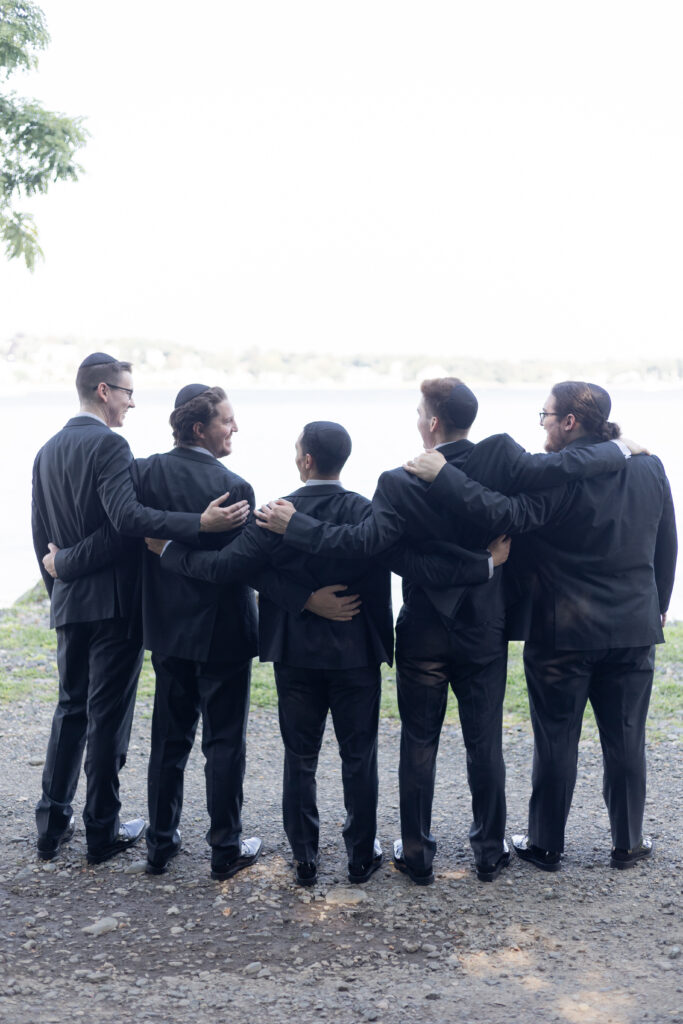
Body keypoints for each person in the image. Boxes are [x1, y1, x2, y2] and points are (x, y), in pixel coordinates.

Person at [254, 379, 634, 884]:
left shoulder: (396, 480)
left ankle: (416, 855)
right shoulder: (502, 455)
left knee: (419, 741)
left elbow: (379, 550)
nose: (416, 418)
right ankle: (488, 853)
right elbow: (561, 469)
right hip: (484, 629)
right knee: (485, 742)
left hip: (424, 632)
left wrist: (295, 526)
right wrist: (482, 565)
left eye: (419, 412)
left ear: (432, 422)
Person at [147, 420, 501, 885]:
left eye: (297, 449)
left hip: (296, 653)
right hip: (357, 654)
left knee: (300, 757)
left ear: (307, 460)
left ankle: (305, 858)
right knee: (360, 757)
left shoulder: (277, 514)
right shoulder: (368, 513)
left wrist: (169, 550)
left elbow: (227, 568)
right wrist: (486, 564)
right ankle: (359, 856)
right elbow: (413, 562)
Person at [405, 381, 677, 871]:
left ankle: (546, 845)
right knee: (627, 738)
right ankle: (628, 844)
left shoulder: (553, 478)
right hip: (634, 625)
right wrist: (658, 603)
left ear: (569, 422)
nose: (542, 424)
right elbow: (666, 540)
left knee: (556, 740)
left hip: (561, 630)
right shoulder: (649, 465)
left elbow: (506, 517)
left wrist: (446, 479)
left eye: (545, 415)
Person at [32, 355, 242, 865]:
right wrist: (199, 524)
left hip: (70, 602)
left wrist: (58, 581)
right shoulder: (111, 445)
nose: (131, 402)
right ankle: (101, 831)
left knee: (69, 709)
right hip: (113, 604)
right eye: (128, 393)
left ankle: (51, 824)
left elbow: (41, 534)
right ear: (104, 391)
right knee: (106, 718)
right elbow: (125, 523)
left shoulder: (45, 449)